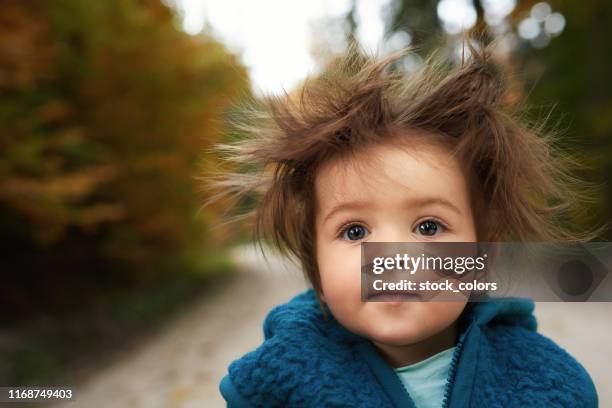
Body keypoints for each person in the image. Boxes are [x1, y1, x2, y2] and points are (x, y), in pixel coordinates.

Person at [203, 40, 599, 407]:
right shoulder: (279, 384)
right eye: (355, 231)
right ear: (318, 273)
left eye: (429, 227)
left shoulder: (545, 382)